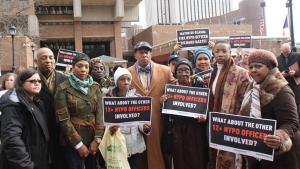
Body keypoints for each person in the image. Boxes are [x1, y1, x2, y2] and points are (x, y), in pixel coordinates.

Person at [239, 49, 300, 169]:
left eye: (258, 66)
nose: (253, 70)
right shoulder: (252, 87)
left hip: (280, 157)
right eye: (250, 67)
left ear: (270, 67)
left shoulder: (282, 90)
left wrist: (279, 137)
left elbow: (291, 123)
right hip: (257, 151)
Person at [128, 41, 176, 169]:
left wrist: (168, 97)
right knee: (138, 155)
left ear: (151, 54)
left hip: (159, 120)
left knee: (157, 152)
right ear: (135, 55)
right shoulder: (126, 73)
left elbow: (177, 90)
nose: (144, 55)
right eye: (141, 52)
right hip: (135, 121)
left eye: (147, 52)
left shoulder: (165, 70)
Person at [54, 53, 104, 169]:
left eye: (86, 67)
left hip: (93, 139)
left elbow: (100, 115)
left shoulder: (95, 87)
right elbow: (63, 119)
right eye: (80, 66)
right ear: (72, 67)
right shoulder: (63, 88)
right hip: (72, 141)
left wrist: (97, 140)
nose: (83, 69)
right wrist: (78, 144)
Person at [160, 58, 209, 169]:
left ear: (191, 73)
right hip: (177, 131)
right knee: (180, 161)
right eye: (180, 71)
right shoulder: (170, 90)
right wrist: (163, 103)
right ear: (175, 74)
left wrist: (204, 117)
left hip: (195, 131)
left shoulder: (199, 86)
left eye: (187, 70)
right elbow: (166, 116)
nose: (183, 73)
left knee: (196, 159)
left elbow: (207, 109)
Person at [209, 41, 250, 169]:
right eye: (217, 51)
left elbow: (246, 100)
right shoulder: (212, 72)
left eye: (224, 51)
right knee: (215, 154)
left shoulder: (241, 72)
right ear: (213, 53)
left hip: (232, 123)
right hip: (215, 121)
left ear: (230, 52)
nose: (220, 54)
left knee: (231, 158)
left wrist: (237, 119)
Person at [0, 68, 50, 169]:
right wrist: (26, 165)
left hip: (38, 160)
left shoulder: (35, 101)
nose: (37, 83)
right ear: (21, 83)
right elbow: (11, 139)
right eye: (32, 81)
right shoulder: (13, 105)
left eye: (39, 81)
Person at [107, 67, 151, 169]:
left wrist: (144, 127)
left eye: (128, 79)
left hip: (134, 142)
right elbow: (106, 121)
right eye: (122, 79)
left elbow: (140, 120)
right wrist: (110, 128)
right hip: (116, 143)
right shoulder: (109, 98)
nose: (126, 82)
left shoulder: (137, 98)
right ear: (116, 82)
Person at [34, 47, 68, 169]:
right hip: (41, 130)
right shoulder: (31, 80)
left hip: (62, 131)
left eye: (51, 57)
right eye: (43, 58)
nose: (48, 61)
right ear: (35, 62)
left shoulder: (65, 79)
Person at [277, 43, 300, 122]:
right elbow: (275, 73)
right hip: (283, 85)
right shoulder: (278, 59)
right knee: (285, 104)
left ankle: (297, 123)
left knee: (296, 105)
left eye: (287, 52)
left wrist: (295, 73)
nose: (286, 54)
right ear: (281, 50)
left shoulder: (297, 56)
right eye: (284, 52)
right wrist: (281, 74)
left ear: (290, 49)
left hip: (295, 85)